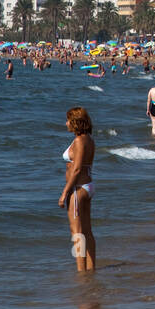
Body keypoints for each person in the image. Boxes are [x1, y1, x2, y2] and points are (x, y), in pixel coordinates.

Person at [59, 107, 96, 272]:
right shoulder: (88, 139)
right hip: (87, 186)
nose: (66, 123)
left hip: (78, 188)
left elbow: (76, 169)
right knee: (87, 231)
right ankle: (91, 269)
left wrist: (65, 192)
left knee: (77, 233)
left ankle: (81, 272)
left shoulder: (80, 141)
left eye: (68, 120)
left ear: (75, 122)